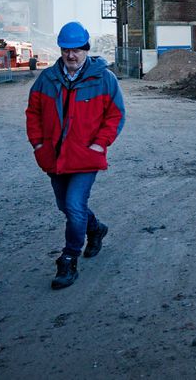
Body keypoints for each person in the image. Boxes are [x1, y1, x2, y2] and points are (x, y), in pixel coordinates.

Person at [26, 21, 126, 289]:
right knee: (67, 207)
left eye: (77, 50)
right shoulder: (46, 79)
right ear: (61, 49)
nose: (71, 55)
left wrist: (99, 144)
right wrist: (38, 145)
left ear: (86, 49)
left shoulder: (104, 79)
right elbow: (33, 114)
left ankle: (69, 259)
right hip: (55, 158)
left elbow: (115, 115)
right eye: (66, 50)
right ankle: (95, 229)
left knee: (73, 205)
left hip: (84, 157)